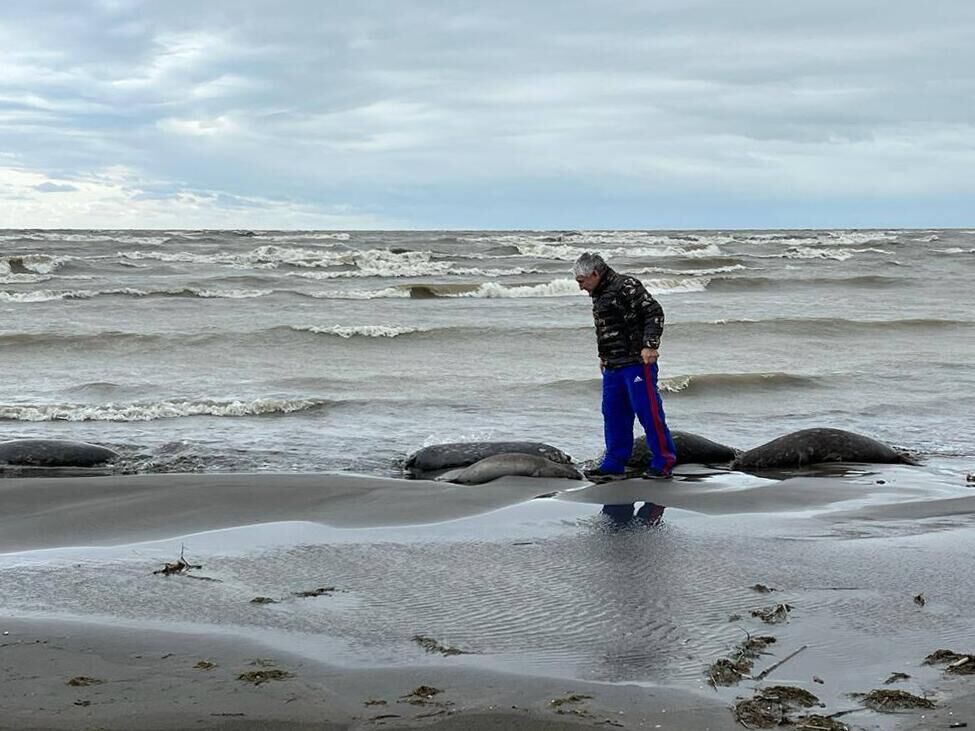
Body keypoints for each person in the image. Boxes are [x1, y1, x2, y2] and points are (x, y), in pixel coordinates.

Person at [574, 252, 677, 479]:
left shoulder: (626, 285)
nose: (581, 287)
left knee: (648, 413)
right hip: (613, 365)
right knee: (613, 414)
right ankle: (614, 464)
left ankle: (664, 462)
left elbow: (654, 312)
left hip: (637, 363)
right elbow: (607, 327)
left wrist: (650, 345)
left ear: (594, 273)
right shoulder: (598, 293)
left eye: (581, 281)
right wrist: (604, 356)